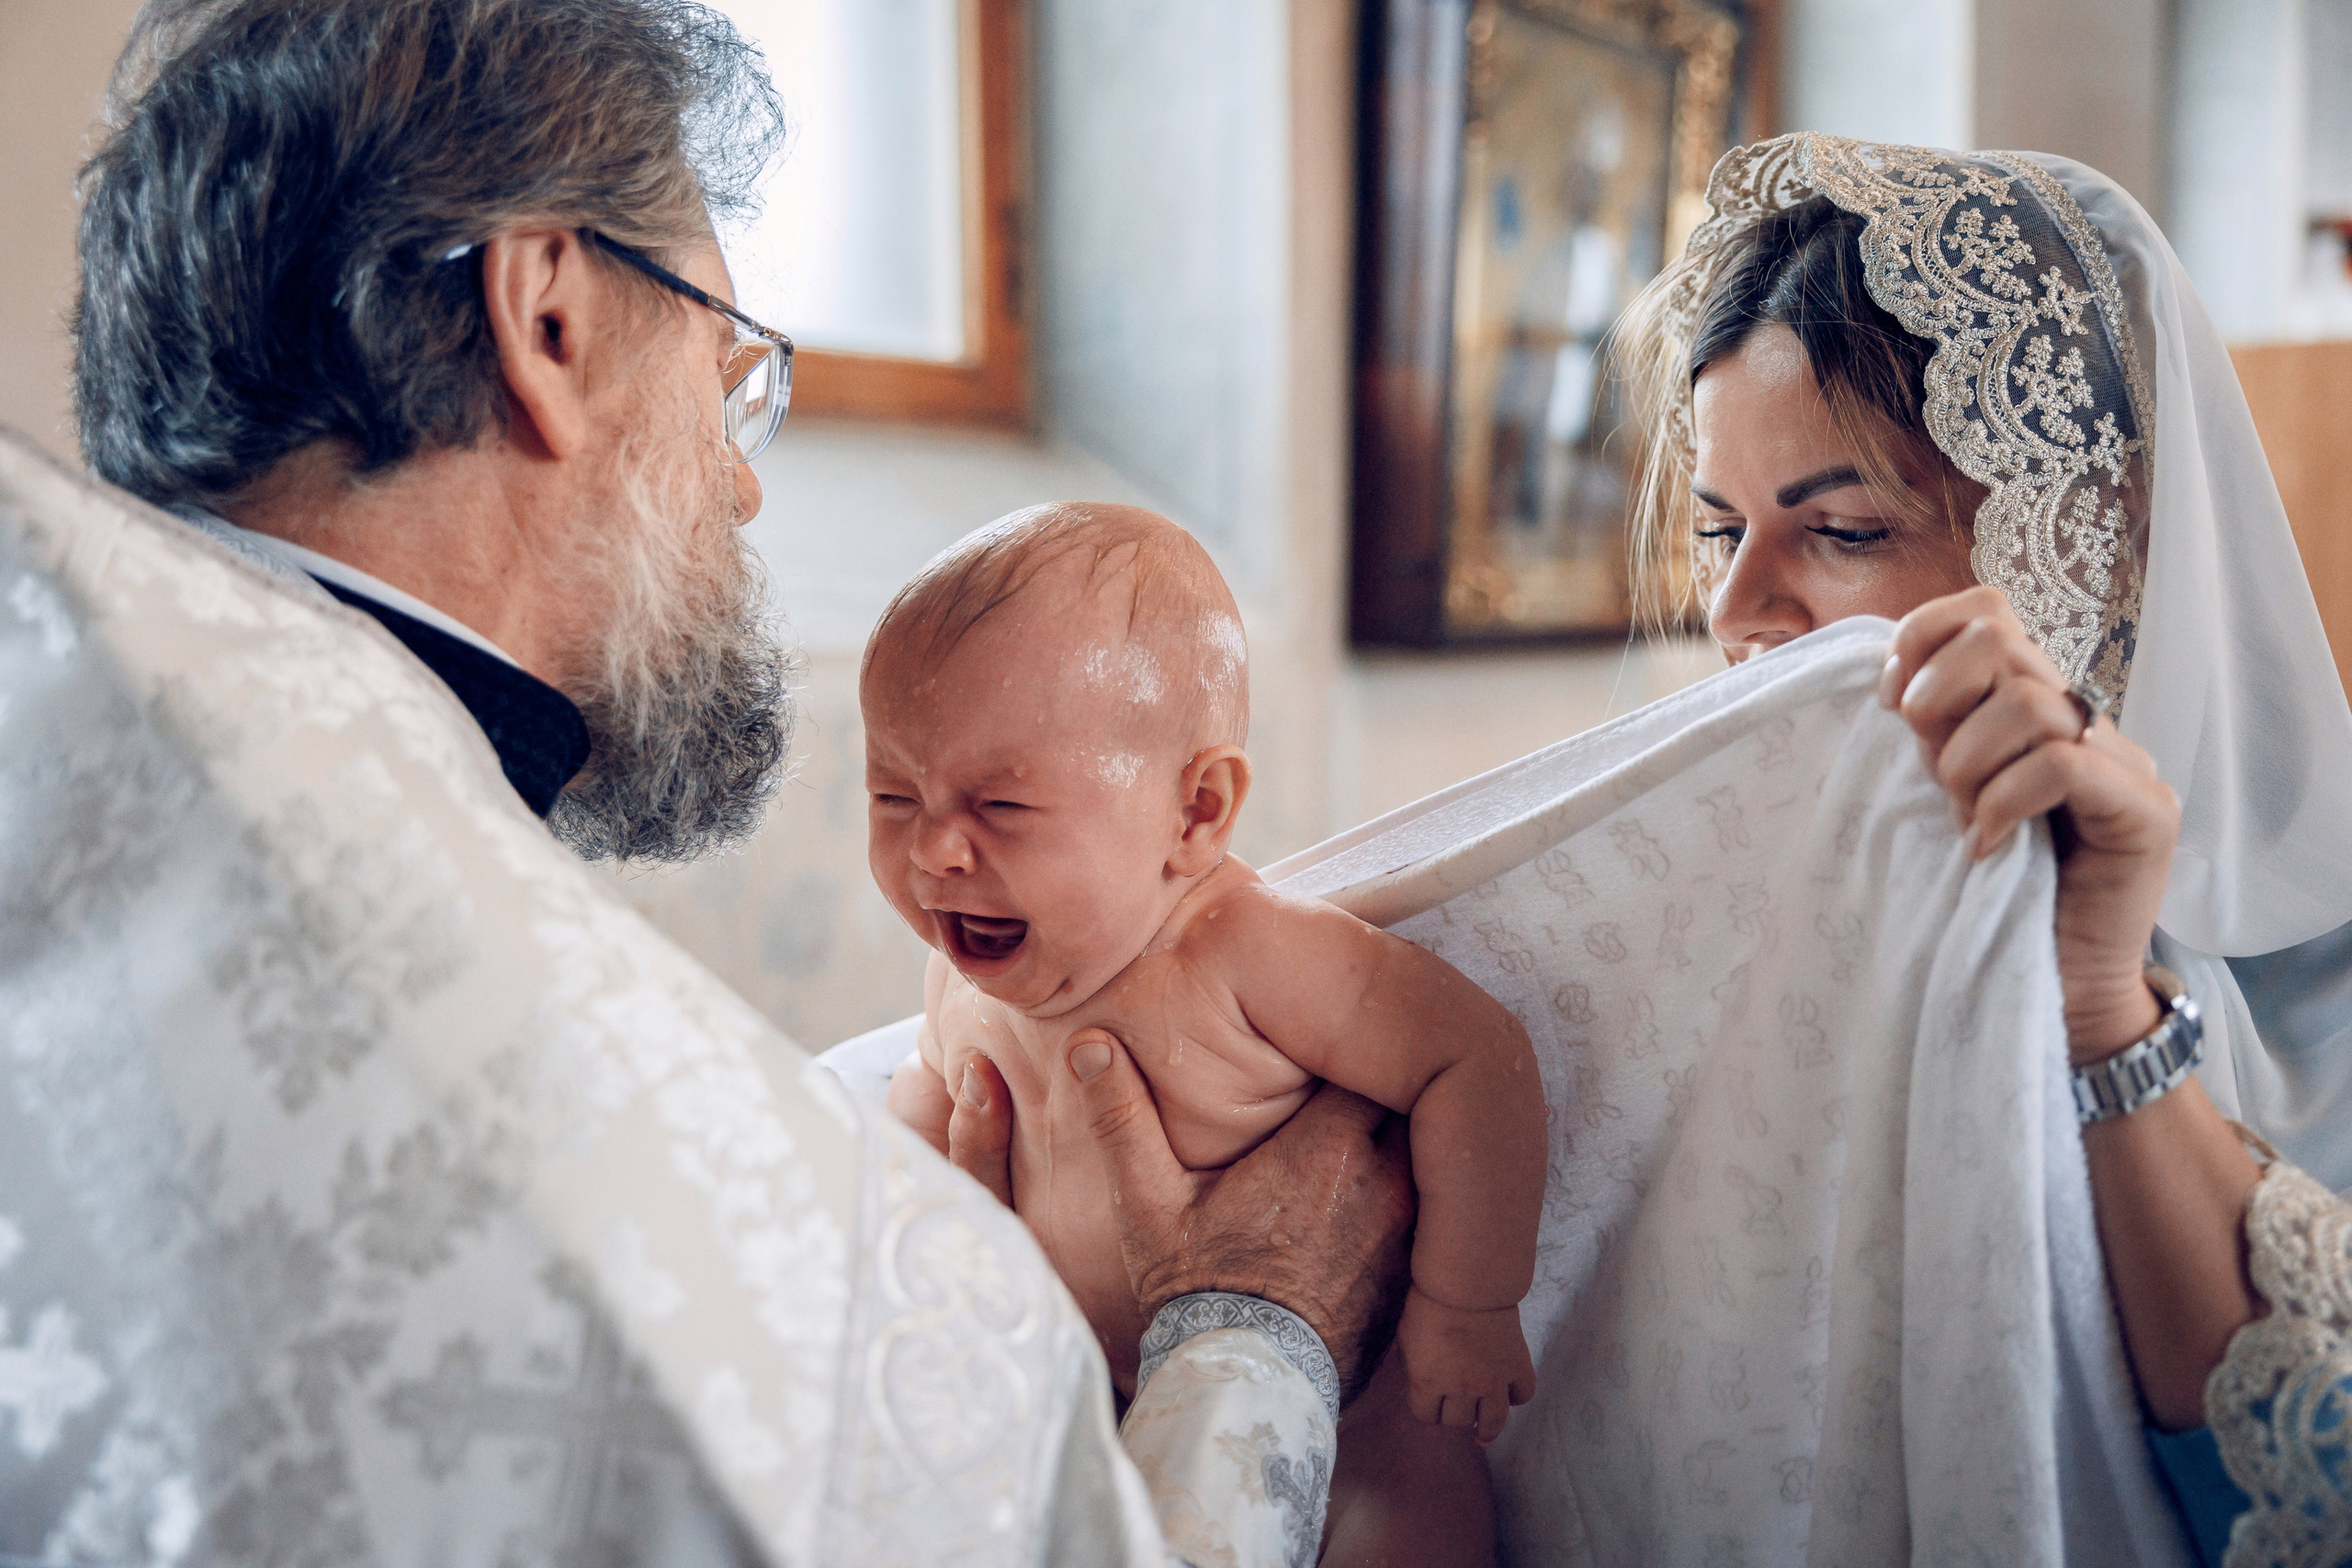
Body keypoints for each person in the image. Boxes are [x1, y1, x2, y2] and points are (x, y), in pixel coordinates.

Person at [0, 0, 1411, 1561]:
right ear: (550, 321)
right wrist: (1257, 1329)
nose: (742, 481)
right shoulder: (693, 1207)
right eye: (730, 376)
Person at [1614, 131, 2352, 1563]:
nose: (1739, 610)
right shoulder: (1706, 877)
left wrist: (2098, 1010)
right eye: (1719, 533)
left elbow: (2312, 1502)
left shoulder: (2315, 979)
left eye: (1838, 528)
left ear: (2083, 549)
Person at [863, 502, 1545, 1565]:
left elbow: (1476, 1055)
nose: (936, 851)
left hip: (1360, 1419)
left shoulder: (1247, 950)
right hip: (1119, 1409)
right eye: (893, 794)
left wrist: (1467, 1299)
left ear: (1196, 811)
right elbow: (920, 1095)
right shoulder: (963, 977)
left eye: (999, 806)